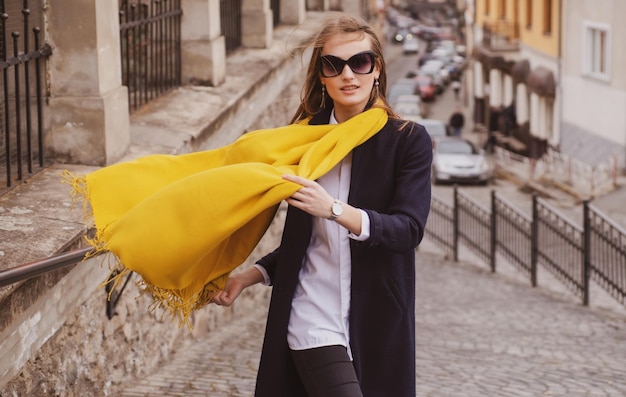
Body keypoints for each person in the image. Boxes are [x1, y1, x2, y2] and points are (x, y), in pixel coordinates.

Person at [210, 14, 433, 397]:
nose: (349, 75)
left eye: (360, 62)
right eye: (334, 65)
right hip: (311, 313)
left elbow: (408, 230)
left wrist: (332, 208)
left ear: (376, 68)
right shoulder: (303, 143)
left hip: (376, 317)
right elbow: (308, 242)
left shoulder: (407, 140)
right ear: (322, 77)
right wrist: (250, 276)